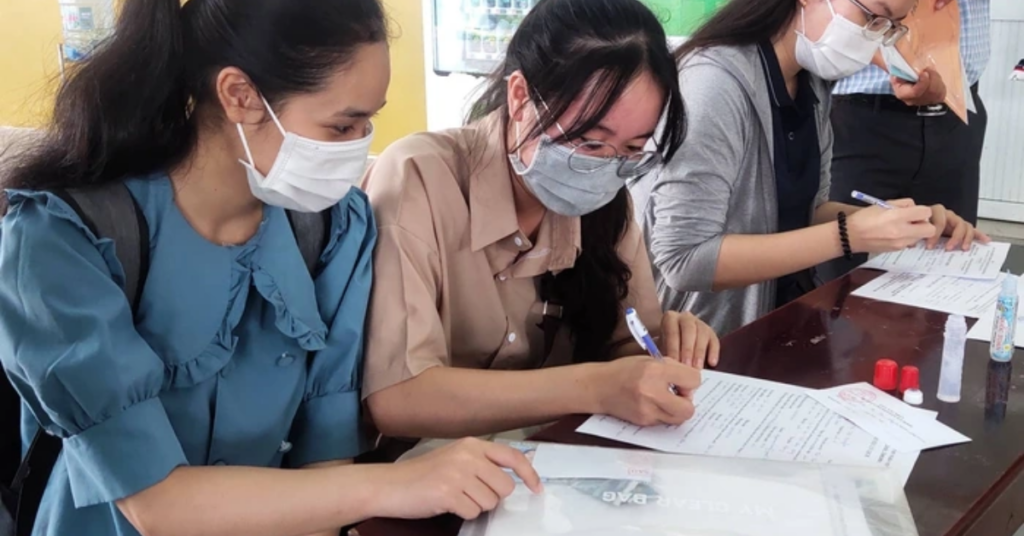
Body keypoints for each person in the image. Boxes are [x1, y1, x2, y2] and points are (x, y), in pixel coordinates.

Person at [0, 1, 541, 535]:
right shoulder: (62, 236)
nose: (360, 146)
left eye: (369, 122)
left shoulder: (335, 227)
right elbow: (157, 502)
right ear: (240, 95)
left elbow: (324, 455)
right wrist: (399, 484)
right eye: (342, 126)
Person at [361, 0, 717, 446]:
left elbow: (627, 342)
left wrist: (665, 351)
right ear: (519, 97)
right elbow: (399, 397)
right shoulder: (418, 177)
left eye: (632, 150)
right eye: (589, 142)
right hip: (424, 468)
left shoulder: (608, 201)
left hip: (552, 459)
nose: (605, 168)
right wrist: (595, 387)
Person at [629, 0, 989, 335]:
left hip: (784, 317)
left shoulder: (808, 79)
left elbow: (808, 210)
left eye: (889, 27)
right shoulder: (713, 83)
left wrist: (904, 222)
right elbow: (686, 260)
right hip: (710, 339)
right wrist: (848, 234)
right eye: (871, 17)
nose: (874, 40)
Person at [822, 0, 992, 280]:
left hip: (957, 109)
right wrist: (892, 55)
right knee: (837, 271)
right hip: (858, 112)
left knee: (949, 264)